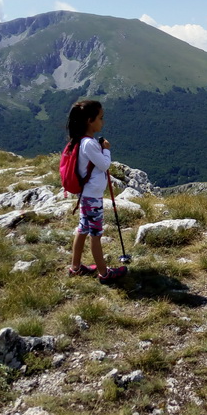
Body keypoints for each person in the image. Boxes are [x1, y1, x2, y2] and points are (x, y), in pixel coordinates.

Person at [65, 100, 127, 284]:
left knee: (83, 229)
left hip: (86, 195)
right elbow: (104, 165)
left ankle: (75, 268)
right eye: (100, 118)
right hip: (92, 197)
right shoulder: (88, 144)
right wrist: (106, 150)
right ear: (89, 121)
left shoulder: (80, 141)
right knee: (95, 234)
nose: (103, 121)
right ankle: (104, 273)